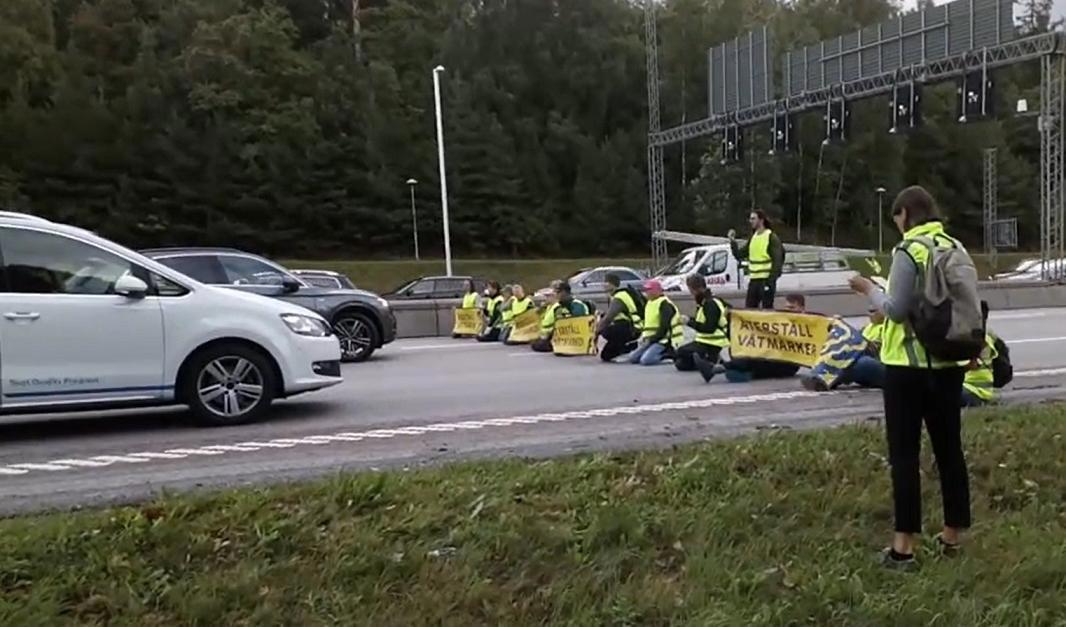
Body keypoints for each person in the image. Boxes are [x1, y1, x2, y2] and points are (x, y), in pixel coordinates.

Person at [849, 185, 971, 569]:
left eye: (896, 219)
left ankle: (903, 547)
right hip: (948, 363)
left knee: (904, 455)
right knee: (950, 450)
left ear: (904, 214)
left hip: (908, 367)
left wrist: (869, 288)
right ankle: (952, 536)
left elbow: (896, 310)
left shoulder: (909, 250)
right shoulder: (956, 246)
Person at [717, 294, 806, 382]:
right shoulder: (782, 321)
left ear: (802, 308)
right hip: (773, 356)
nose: (788, 311)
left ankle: (726, 367)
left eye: (792, 308)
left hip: (788, 363)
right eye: (786, 308)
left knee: (755, 361)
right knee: (753, 355)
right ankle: (739, 370)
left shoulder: (808, 325)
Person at [675, 274, 729, 382]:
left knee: (681, 353)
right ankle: (706, 361)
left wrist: (689, 322)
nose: (691, 293)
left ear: (696, 289)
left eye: (691, 290)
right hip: (704, 340)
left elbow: (709, 328)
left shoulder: (710, 303)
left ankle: (711, 360)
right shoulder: (705, 302)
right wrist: (690, 320)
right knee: (680, 363)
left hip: (713, 342)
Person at [729, 209, 785, 309]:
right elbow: (739, 254)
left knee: (766, 309)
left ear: (761, 220)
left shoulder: (771, 237)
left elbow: (778, 260)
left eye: (753, 219)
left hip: (766, 280)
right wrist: (732, 242)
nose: (751, 221)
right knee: (750, 309)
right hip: (754, 280)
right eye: (750, 219)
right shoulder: (753, 237)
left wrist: (771, 281)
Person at [627, 280, 683, 366]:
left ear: (657, 291)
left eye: (648, 290)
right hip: (650, 340)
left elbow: (664, 327)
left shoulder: (665, 304)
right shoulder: (650, 303)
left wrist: (652, 340)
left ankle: (668, 355)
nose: (646, 292)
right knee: (632, 358)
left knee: (646, 360)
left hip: (663, 341)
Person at [531, 281, 590, 353]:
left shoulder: (577, 305)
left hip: (577, 336)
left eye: (558, 292)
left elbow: (578, 323)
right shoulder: (558, 307)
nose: (556, 295)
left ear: (564, 292)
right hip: (562, 337)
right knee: (537, 344)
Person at [596, 273, 643, 362]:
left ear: (612, 284)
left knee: (605, 331)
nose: (603, 285)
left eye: (606, 282)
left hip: (630, 328)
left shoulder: (619, 297)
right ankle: (625, 347)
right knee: (606, 355)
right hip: (629, 326)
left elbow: (608, 318)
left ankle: (629, 347)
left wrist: (596, 331)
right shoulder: (617, 295)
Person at [961, 302, 999, 407]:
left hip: (975, 391)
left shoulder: (975, 340)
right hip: (975, 390)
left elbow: (970, 365)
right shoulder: (985, 336)